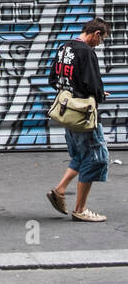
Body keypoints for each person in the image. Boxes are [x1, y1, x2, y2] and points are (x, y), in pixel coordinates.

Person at [47, 17, 110, 223]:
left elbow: (53, 79)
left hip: (67, 112)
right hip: (83, 113)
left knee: (81, 155)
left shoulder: (64, 47)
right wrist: (99, 94)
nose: (98, 45)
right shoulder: (86, 52)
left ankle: (60, 190)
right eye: (100, 41)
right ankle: (80, 209)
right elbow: (92, 83)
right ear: (96, 34)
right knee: (96, 158)